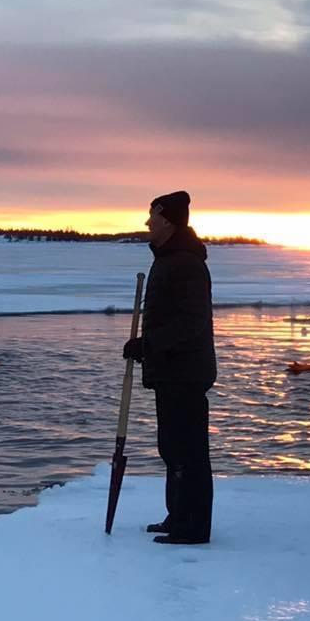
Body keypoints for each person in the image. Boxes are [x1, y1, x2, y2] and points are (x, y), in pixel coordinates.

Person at [123, 191, 216, 545]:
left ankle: (192, 526)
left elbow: (191, 323)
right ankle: (178, 515)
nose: (148, 223)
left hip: (186, 373)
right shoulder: (169, 259)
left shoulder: (186, 263)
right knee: (172, 448)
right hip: (172, 371)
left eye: (153, 217)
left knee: (187, 450)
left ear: (169, 221)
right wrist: (147, 350)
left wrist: (149, 345)